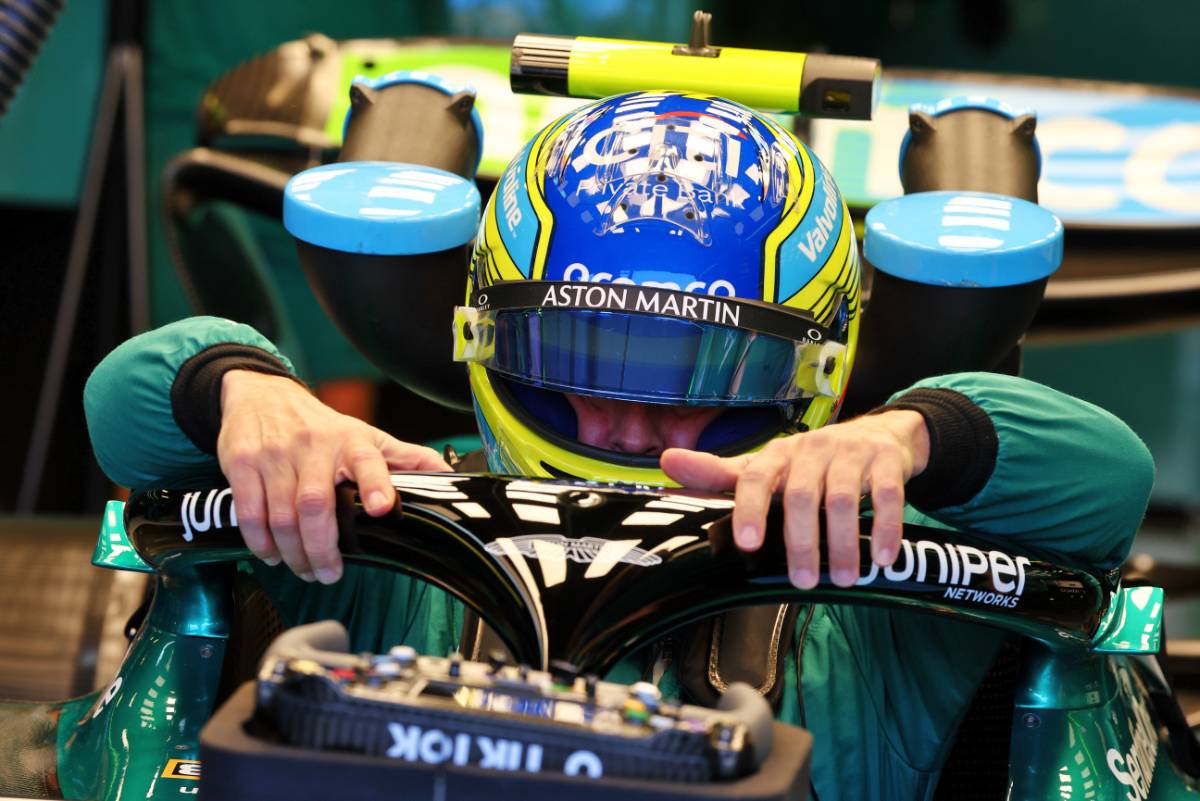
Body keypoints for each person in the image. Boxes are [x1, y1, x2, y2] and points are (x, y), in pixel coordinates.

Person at [84, 92, 1154, 800]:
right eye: (572, 359)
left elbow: (1107, 482)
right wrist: (238, 389)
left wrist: (921, 432)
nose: (625, 426)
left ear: (816, 377)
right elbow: (127, 406)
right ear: (482, 338)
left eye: (699, 379)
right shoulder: (365, 500)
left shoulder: (869, 551)